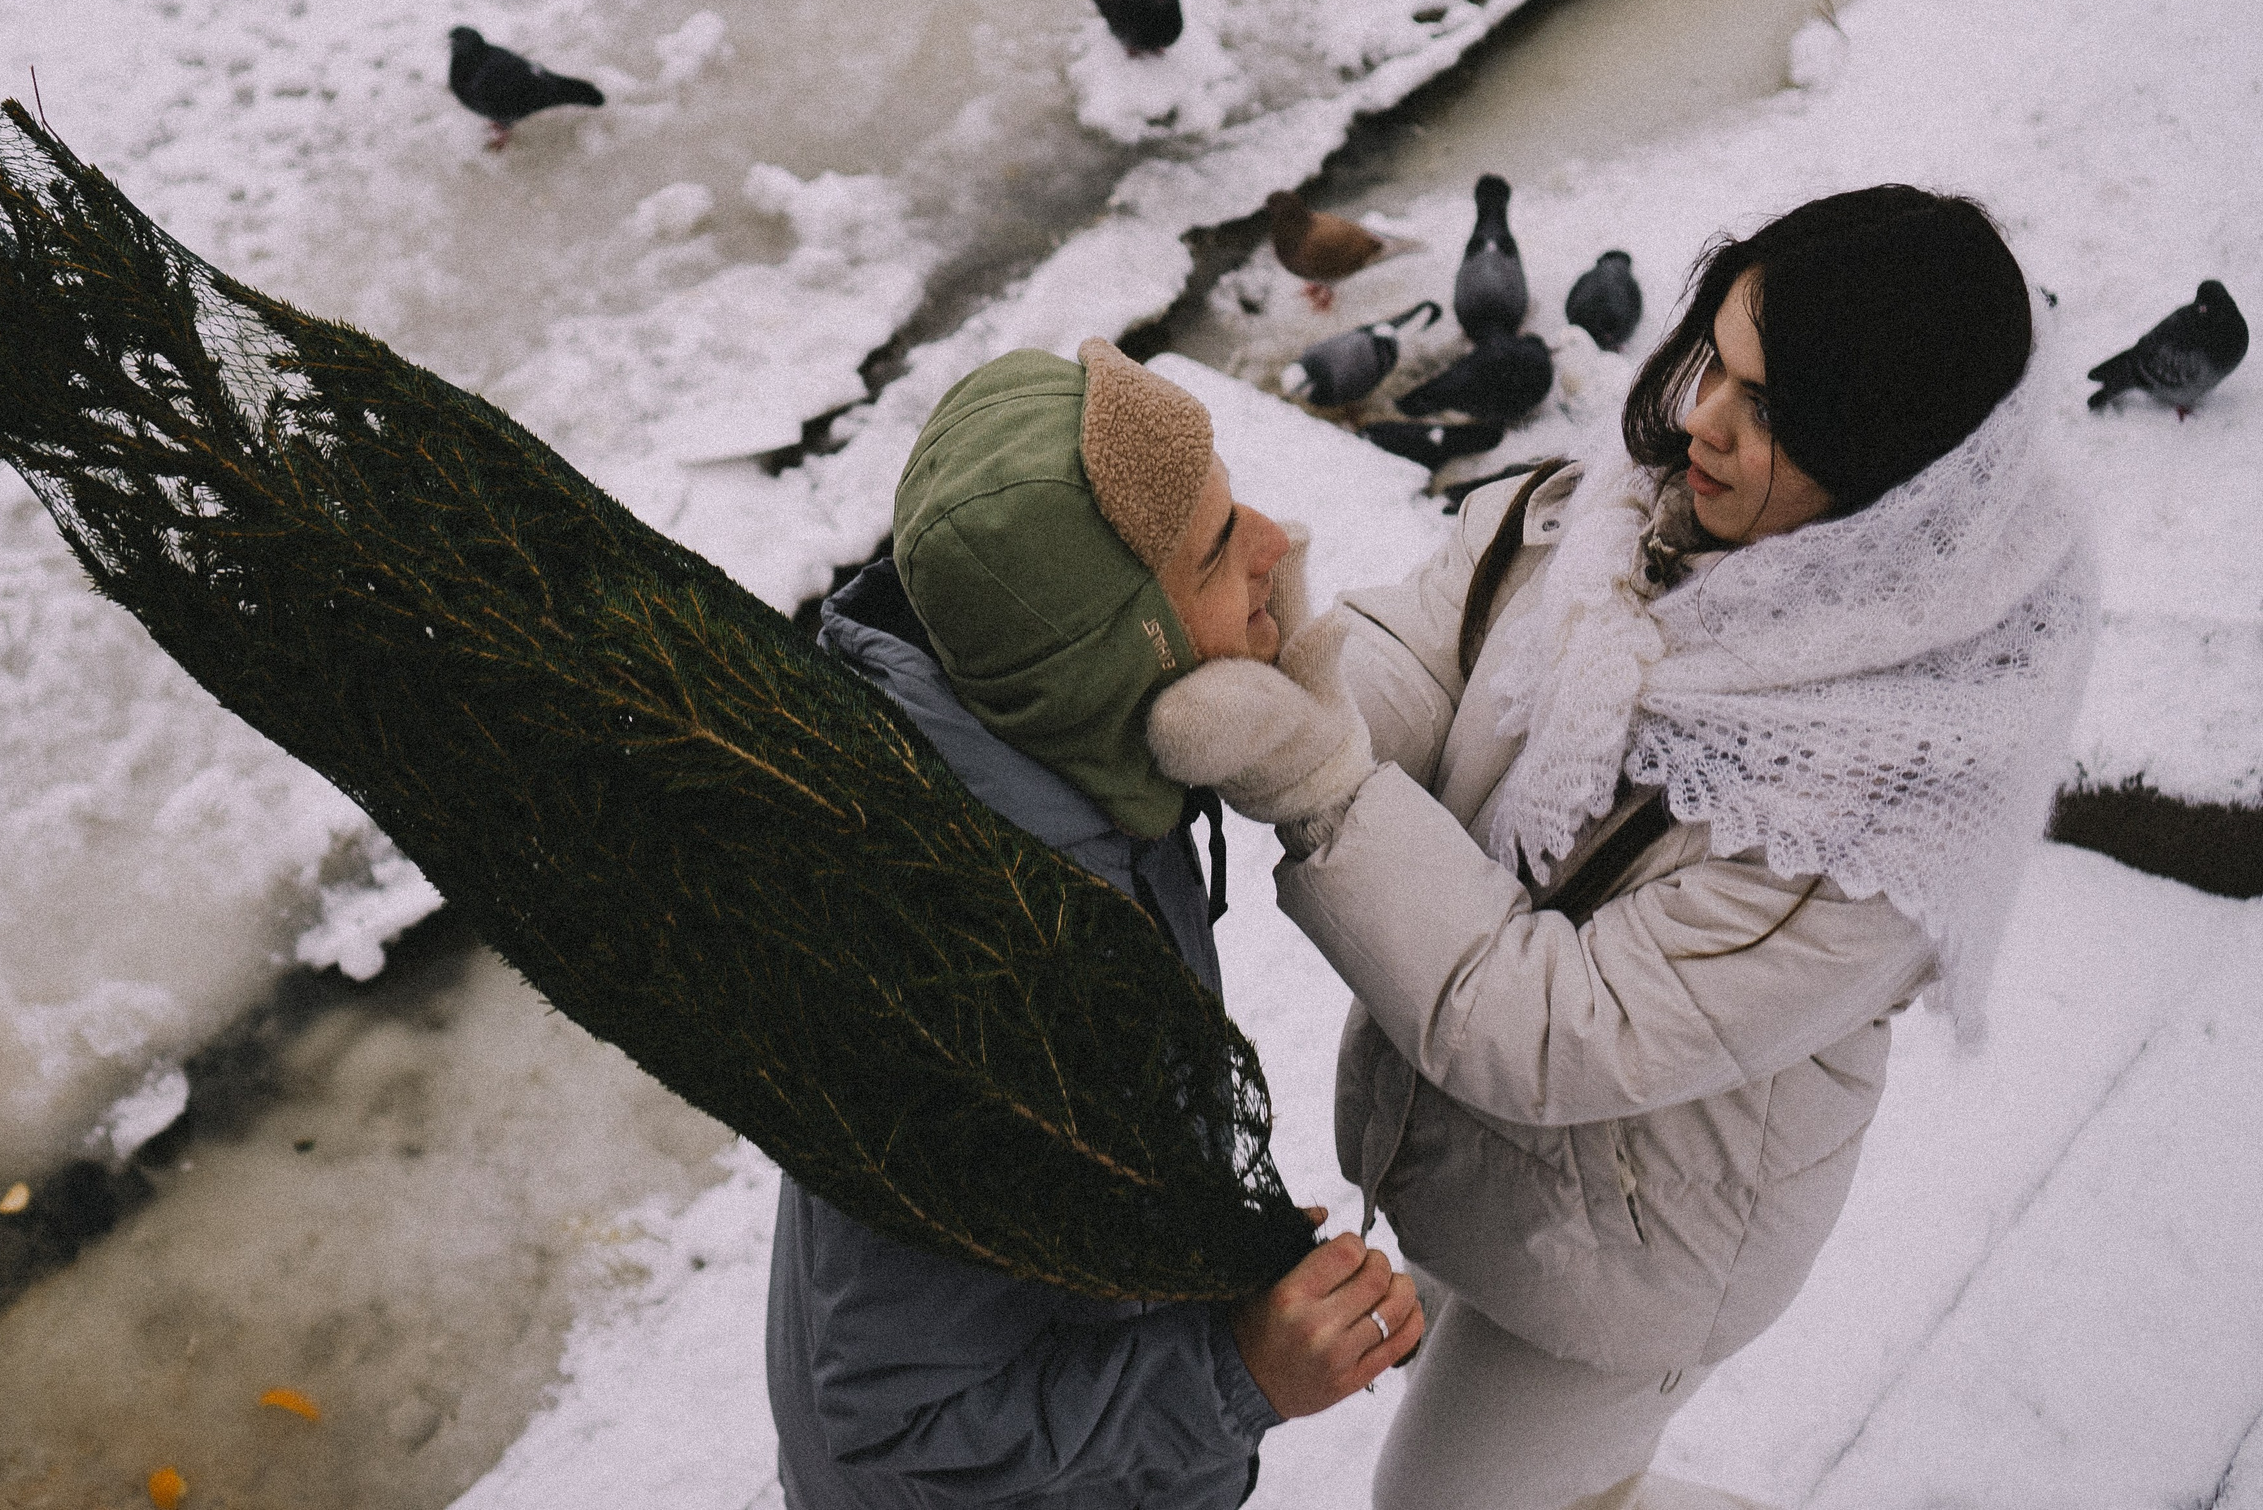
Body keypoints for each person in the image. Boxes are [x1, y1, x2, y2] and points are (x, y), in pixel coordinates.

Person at [1148, 186, 2098, 1509]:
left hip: (1638, 1243)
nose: (1701, 415)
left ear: (1887, 469)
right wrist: (1303, 682)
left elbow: (1559, 1028)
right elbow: (1440, 648)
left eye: (1772, 405)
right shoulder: (1631, 512)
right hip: (1466, 1138)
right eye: (1718, 354)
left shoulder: (1868, 806)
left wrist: (1314, 781)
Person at [767, 339, 1425, 1509]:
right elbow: (894, 1417)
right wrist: (1232, 1376)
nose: (1279, 545)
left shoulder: (1059, 762)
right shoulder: (979, 981)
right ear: (1125, 653)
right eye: (1223, 550)